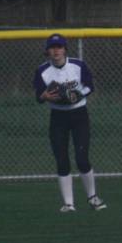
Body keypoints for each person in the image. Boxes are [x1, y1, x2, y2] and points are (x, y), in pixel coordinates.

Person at [33, 33, 106, 213]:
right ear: (47, 51)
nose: (56, 51)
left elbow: (90, 85)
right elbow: (39, 96)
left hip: (79, 115)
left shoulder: (78, 65)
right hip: (58, 117)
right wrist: (44, 96)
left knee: (82, 159)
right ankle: (68, 204)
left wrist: (80, 94)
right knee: (62, 160)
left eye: (59, 47)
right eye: (52, 47)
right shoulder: (42, 71)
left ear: (65, 49)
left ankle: (93, 197)